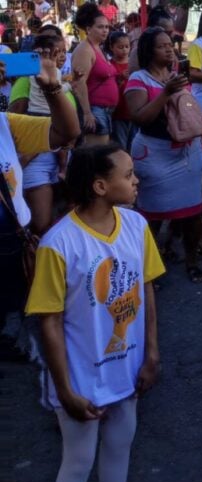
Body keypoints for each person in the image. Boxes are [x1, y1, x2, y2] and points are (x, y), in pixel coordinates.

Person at [27, 143, 164, 482]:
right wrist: (66, 390)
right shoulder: (59, 244)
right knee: (78, 460)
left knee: (122, 439)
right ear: (100, 186)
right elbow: (49, 321)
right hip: (82, 374)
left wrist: (151, 352)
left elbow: (147, 287)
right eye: (128, 175)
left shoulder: (136, 225)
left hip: (128, 365)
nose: (137, 180)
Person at [0, 50, 80, 374]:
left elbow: (66, 133)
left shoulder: (5, 124)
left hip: (11, 238)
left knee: (15, 302)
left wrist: (52, 89)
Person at [124, 27, 202, 284]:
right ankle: (150, 266)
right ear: (149, 50)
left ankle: (191, 260)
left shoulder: (176, 76)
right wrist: (166, 93)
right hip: (155, 154)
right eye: (162, 46)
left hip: (188, 152)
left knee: (194, 211)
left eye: (170, 45)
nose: (169, 49)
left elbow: (192, 113)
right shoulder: (138, 80)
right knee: (152, 213)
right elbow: (140, 118)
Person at [9, 32, 73, 236]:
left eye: (63, 51)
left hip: (61, 153)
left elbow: (71, 129)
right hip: (37, 159)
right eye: (55, 51)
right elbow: (14, 123)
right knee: (41, 224)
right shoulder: (28, 80)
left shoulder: (59, 76)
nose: (59, 55)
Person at [71, 2, 117, 144]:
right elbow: (79, 83)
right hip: (94, 110)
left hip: (104, 110)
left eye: (107, 27)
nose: (105, 30)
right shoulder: (85, 50)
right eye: (100, 27)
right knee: (96, 154)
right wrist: (87, 113)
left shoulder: (98, 48)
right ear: (89, 29)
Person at [108, 31, 135, 151]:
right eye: (120, 47)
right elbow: (108, 89)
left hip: (134, 112)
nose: (124, 50)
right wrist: (120, 79)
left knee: (134, 146)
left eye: (127, 46)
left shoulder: (133, 64)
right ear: (111, 47)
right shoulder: (109, 65)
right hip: (118, 113)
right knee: (120, 145)